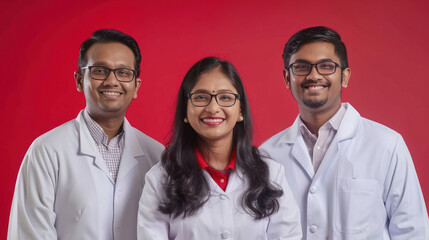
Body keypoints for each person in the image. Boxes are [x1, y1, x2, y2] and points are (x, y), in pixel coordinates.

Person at [259, 26, 429, 239]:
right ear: (287, 78)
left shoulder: (387, 145)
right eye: (301, 67)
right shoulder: (267, 156)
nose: (314, 75)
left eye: (326, 66)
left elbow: (413, 232)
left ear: (345, 76)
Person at [8, 29, 164, 240]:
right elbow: (30, 234)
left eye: (124, 72)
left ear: (136, 86)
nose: (112, 81)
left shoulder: (157, 156)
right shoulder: (46, 151)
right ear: (80, 80)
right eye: (100, 70)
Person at [137, 57, 302, 239]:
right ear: (185, 110)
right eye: (201, 97)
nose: (213, 108)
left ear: (240, 111)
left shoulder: (272, 174)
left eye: (225, 97)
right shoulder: (160, 180)